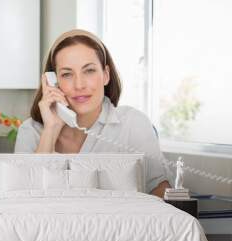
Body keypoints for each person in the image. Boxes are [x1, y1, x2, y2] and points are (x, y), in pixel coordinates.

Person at [14, 29, 172, 198]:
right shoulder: (31, 132)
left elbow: (160, 192)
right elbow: (24, 202)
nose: (79, 84)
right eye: (67, 74)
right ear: (53, 82)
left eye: (89, 71)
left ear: (105, 75)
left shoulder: (133, 124)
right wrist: (51, 129)